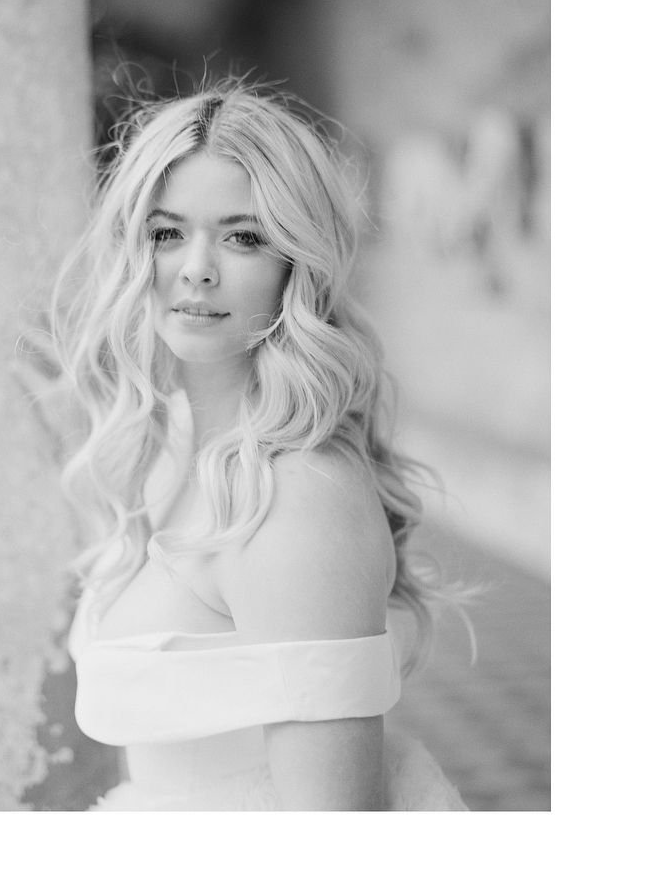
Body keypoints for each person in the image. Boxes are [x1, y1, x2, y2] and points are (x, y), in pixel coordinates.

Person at [28, 81, 468, 810]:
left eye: (243, 237)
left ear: (297, 262)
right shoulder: (170, 453)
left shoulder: (296, 497)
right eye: (166, 233)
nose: (197, 269)